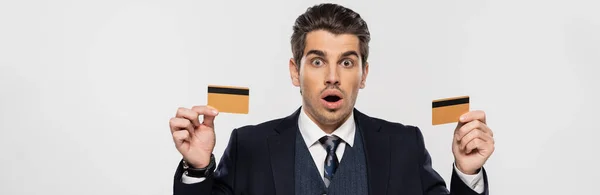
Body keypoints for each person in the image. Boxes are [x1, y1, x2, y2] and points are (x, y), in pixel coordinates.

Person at [169, 3, 494, 195]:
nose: (333, 76)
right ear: (296, 72)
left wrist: (467, 173)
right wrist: (197, 169)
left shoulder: (404, 144)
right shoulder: (249, 145)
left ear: (363, 74)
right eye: (318, 61)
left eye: (347, 62)